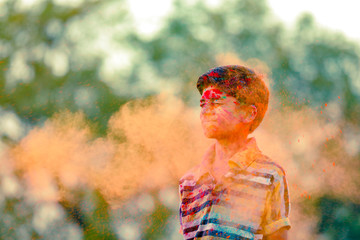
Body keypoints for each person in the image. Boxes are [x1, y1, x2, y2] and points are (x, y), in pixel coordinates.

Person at [178, 65, 291, 240]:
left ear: (248, 113)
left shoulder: (269, 175)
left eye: (216, 102)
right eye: (202, 103)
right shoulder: (189, 181)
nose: (205, 111)